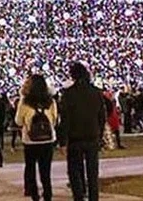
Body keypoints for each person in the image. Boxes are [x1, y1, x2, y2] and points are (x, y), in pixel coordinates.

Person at [59, 62, 106, 201]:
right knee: (92, 172)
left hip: (75, 137)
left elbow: (65, 120)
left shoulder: (68, 94)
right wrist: (99, 134)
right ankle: (93, 197)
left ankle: (79, 196)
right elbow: (102, 116)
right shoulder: (96, 92)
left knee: (74, 170)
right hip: (92, 135)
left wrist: (63, 141)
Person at [15, 73, 58, 201]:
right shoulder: (50, 101)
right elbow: (55, 120)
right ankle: (48, 195)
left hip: (30, 141)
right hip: (48, 140)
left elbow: (18, 121)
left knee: (31, 169)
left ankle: (35, 196)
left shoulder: (25, 102)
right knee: (46, 171)